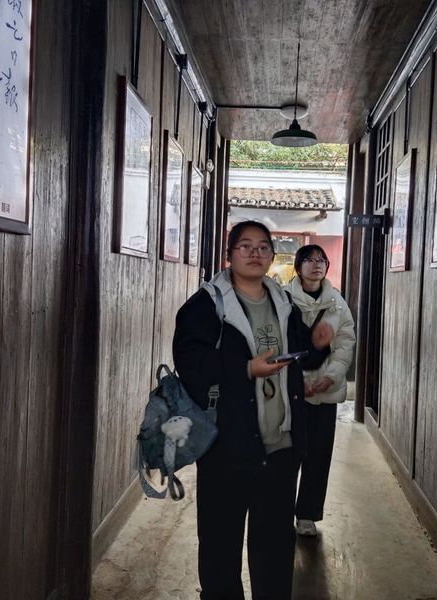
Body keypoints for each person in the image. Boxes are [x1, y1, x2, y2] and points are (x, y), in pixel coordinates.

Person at [173, 221, 335, 600]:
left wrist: (317, 344)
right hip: (226, 449)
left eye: (263, 247)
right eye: (245, 246)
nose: (255, 253)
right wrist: (246, 369)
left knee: (274, 548)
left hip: (279, 447)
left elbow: (301, 358)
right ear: (229, 254)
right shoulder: (206, 306)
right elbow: (192, 365)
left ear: (272, 255)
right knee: (220, 547)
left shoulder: (283, 302)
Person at [286, 244, 356, 537]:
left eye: (321, 260)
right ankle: (280, 510)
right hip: (291, 391)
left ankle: (307, 514)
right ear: (298, 266)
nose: (316, 264)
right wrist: (296, 379)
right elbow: (278, 343)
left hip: (325, 392)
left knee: (318, 454)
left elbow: (345, 342)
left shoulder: (337, 303)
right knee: (287, 454)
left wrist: (331, 377)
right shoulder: (283, 299)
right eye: (309, 259)